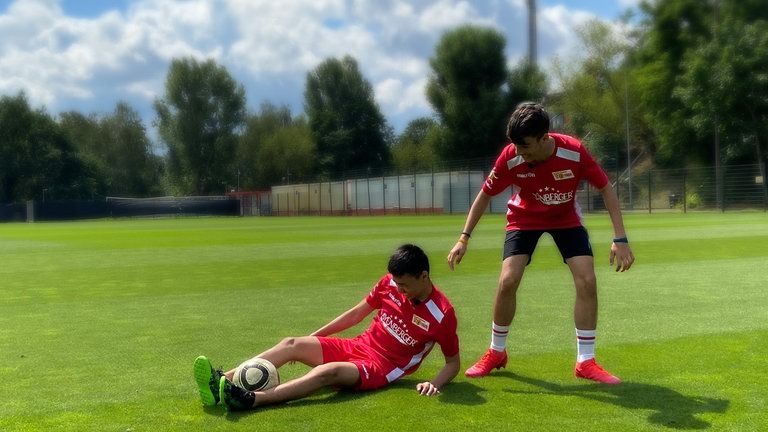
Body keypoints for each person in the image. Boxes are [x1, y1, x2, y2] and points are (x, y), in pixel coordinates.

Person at [447, 102, 634, 384]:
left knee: (587, 280)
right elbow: (485, 195)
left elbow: (606, 188)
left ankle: (585, 361)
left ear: (545, 137)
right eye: (516, 146)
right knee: (507, 280)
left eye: (526, 146)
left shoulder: (574, 151)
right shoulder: (510, 156)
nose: (520, 153)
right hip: (524, 218)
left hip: (565, 217)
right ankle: (496, 352)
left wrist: (620, 238)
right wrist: (463, 238)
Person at [194, 244, 460, 410]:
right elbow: (355, 314)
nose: (399, 290)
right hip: (358, 345)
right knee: (291, 343)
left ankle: (251, 399)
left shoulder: (442, 314)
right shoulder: (389, 284)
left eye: (404, 285)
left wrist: (434, 383)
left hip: (380, 368)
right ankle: (220, 380)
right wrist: (311, 340)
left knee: (327, 371)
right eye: (396, 284)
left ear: (424, 276)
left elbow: (452, 363)